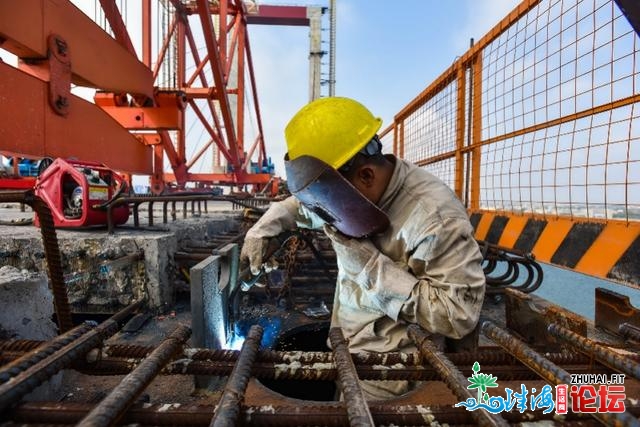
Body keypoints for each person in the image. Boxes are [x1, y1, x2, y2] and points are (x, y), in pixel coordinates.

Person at [240, 97, 486, 400]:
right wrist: (265, 227)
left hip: (392, 372)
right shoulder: (352, 191)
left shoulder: (433, 219)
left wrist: (369, 267)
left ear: (365, 176)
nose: (324, 211)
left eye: (327, 198)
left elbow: (458, 313)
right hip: (346, 348)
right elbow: (306, 207)